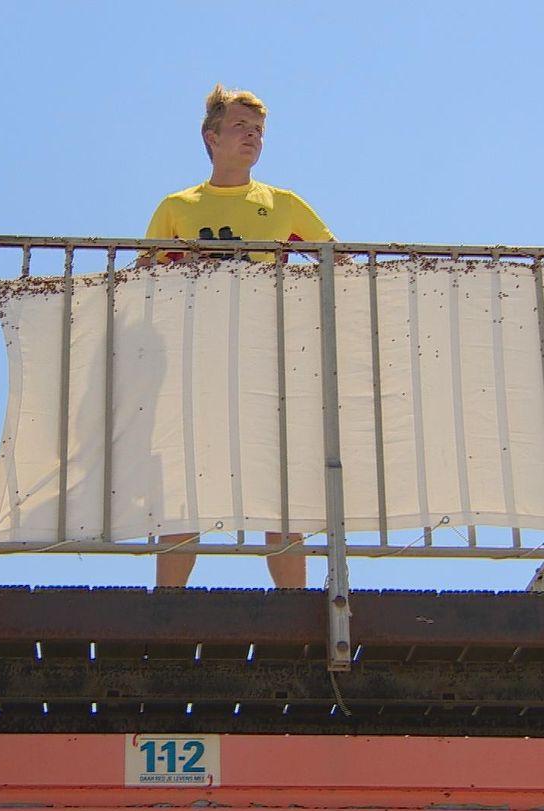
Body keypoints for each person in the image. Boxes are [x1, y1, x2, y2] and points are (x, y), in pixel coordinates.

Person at [144, 83, 337, 589]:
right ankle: (167, 608)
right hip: (194, 364)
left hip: (266, 364)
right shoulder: (176, 207)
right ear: (211, 137)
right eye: (239, 127)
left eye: (258, 130)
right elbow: (144, 281)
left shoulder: (284, 205)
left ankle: (295, 606)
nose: (251, 136)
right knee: (184, 483)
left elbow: (340, 265)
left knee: (282, 483)